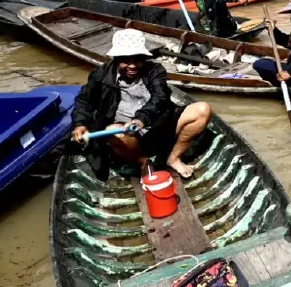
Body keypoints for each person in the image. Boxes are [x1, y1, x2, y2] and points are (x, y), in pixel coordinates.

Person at [71, 28, 213, 179]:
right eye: (126, 60)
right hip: (128, 135)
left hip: (158, 125)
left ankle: (174, 158)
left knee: (203, 109)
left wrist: (141, 119)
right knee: (114, 131)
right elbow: (83, 101)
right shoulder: (100, 74)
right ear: (116, 58)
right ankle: (143, 162)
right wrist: (80, 123)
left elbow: (161, 97)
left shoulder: (155, 71)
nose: (132, 66)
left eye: (137, 59)